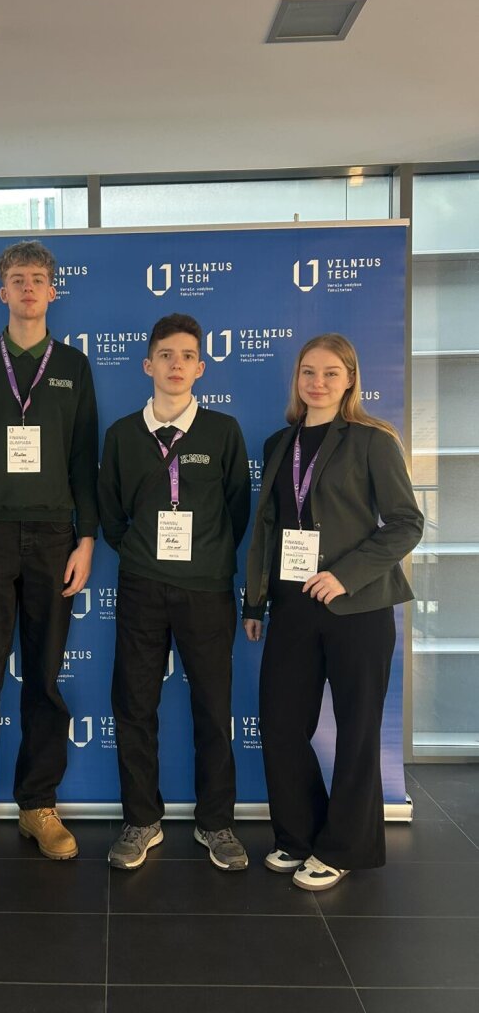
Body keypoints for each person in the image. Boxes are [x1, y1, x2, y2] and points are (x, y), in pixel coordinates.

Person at [243, 333, 423, 891]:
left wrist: (345, 574)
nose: (317, 382)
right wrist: (255, 600)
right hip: (292, 605)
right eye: (308, 371)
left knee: (357, 729)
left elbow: (406, 524)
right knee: (280, 722)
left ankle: (344, 847)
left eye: (330, 372)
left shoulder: (372, 439)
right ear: (296, 379)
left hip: (358, 607)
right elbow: (270, 527)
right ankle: (299, 835)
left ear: (349, 380)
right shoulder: (279, 442)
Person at [0, 239, 98, 871]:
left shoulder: (74, 366)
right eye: (18, 278)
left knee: (44, 680)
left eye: (38, 278)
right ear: (1, 291)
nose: (29, 287)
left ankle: (38, 805)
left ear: (53, 290)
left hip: (56, 539)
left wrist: (87, 538)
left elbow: (84, 458)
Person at [99, 313, 251, 870]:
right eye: (165, 355)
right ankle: (142, 820)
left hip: (206, 589)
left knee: (213, 707)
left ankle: (216, 823)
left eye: (187, 356)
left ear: (201, 367)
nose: (176, 364)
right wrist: (144, 551)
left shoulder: (223, 431)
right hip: (141, 585)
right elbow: (111, 513)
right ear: (148, 365)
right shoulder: (122, 435)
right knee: (134, 705)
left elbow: (237, 510)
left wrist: (205, 557)